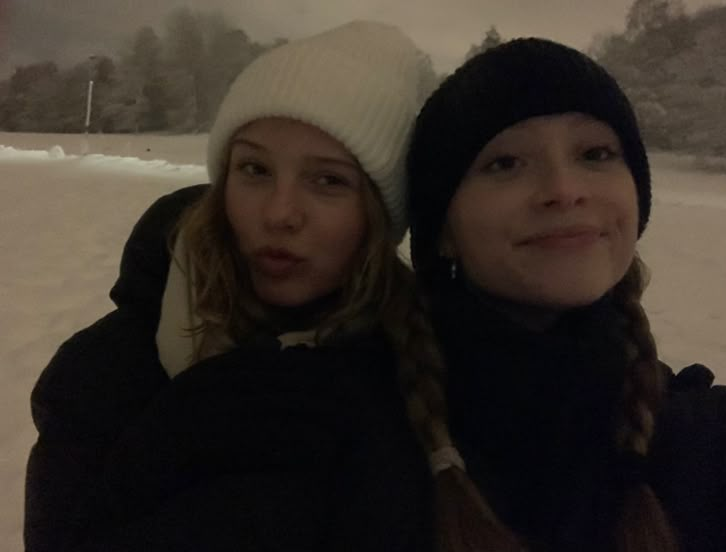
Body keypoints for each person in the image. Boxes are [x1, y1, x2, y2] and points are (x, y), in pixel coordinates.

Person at [24, 21, 444, 551]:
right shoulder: (104, 376)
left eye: (329, 180)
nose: (280, 213)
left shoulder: (422, 381)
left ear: (380, 216)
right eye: (254, 169)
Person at [406, 38, 726, 551]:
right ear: (442, 230)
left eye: (595, 153)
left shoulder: (706, 441)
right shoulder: (334, 424)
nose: (564, 189)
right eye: (506, 163)